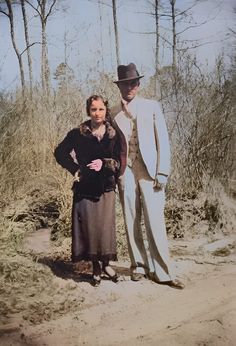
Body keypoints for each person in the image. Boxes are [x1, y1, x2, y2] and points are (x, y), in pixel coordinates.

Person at [111, 63, 184, 289]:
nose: (129, 87)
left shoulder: (151, 106)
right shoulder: (113, 112)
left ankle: (163, 271)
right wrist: (114, 174)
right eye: (125, 84)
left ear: (139, 84)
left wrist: (163, 171)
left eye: (133, 83)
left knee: (155, 220)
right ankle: (139, 267)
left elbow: (163, 140)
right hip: (127, 171)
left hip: (151, 171)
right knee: (131, 218)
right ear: (119, 86)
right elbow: (111, 147)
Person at [54, 95, 121, 286]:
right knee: (90, 229)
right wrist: (75, 169)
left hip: (106, 187)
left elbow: (119, 161)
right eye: (93, 109)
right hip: (85, 188)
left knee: (105, 228)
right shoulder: (77, 133)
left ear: (106, 110)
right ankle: (96, 267)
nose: (97, 113)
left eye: (101, 109)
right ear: (88, 111)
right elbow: (59, 153)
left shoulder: (114, 134)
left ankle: (106, 264)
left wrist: (105, 163)